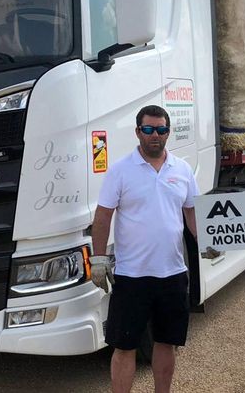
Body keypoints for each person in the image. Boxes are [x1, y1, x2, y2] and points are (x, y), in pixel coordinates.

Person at [90, 105, 200, 393]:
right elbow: (103, 216)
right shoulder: (121, 171)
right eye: (149, 129)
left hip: (173, 273)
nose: (155, 135)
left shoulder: (182, 169)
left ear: (168, 132)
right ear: (138, 132)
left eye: (161, 130)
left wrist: (209, 241)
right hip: (131, 276)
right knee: (124, 345)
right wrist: (98, 259)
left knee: (166, 342)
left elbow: (192, 212)